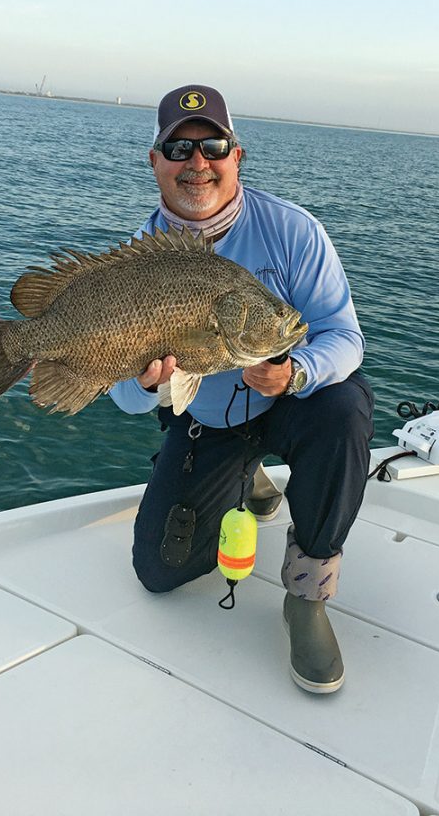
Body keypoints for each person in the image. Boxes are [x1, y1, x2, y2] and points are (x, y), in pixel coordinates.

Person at [109, 84, 374, 693]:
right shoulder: (136, 266)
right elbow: (123, 398)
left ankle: (306, 595)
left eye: (214, 147)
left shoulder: (294, 232)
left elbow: (343, 337)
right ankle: (243, 474)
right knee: (159, 571)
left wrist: (296, 371)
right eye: (178, 148)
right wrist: (147, 384)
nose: (196, 163)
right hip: (205, 420)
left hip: (288, 404)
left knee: (344, 406)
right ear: (155, 161)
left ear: (237, 155)